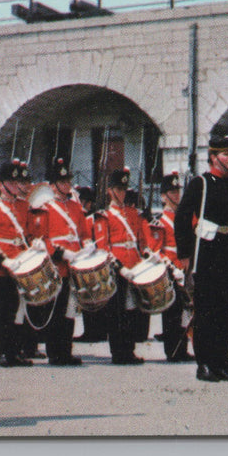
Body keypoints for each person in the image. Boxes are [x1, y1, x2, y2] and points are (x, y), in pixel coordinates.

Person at [175, 134, 228, 382]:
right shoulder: (201, 184)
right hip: (206, 252)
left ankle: (221, 361)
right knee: (206, 310)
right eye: (225, 154)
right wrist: (184, 253)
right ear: (213, 157)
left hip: (227, 250)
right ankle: (204, 363)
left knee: (226, 310)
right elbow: (182, 218)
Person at [91, 167, 153, 365]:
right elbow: (103, 247)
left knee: (131, 310)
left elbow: (141, 240)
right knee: (116, 311)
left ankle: (130, 349)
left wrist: (146, 255)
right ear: (110, 190)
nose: (122, 193)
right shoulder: (104, 216)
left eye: (124, 189)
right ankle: (118, 352)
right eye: (118, 189)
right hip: (117, 268)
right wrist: (118, 266)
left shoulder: (132, 213)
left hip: (133, 266)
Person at [29, 157, 86, 366]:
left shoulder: (75, 206)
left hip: (75, 263)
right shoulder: (45, 208)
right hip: (57, 264)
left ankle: (66, 351)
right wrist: (61, 254)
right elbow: (42, 238)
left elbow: (83, 233)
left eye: (68, 181)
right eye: (62, 182)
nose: (67, 185)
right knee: (56, 310)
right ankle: (55, 353)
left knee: (70, 309)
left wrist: (86, 248)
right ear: (53, 185)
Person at [0, 161, 35, 368]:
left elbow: (29, 234)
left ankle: (16, 351)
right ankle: (3, 352)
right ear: (1, 185)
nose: (15, 184)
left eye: (17, 180)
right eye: (11, 181)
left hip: (20, 263)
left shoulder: (23, 206)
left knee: (18, 309)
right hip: (2, 267)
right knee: (2, 311)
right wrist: (2, 259)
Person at [151, 172, 192, 361]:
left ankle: (182, 348)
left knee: (186, 311)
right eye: (171, 192)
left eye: (177, 191)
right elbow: (155, 251)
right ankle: (173, 350)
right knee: (172, 312)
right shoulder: (160, 221)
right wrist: (171, 267)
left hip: (185, 269)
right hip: (170, 271)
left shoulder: (184, 218)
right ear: (163, 196)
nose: (176, 195)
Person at [74, 185, 108, 344]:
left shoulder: (90, 218)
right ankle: (93, 330)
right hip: (86, 259)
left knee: (92, 298)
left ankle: (94, 331)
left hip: (91, 260)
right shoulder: (84, 217)